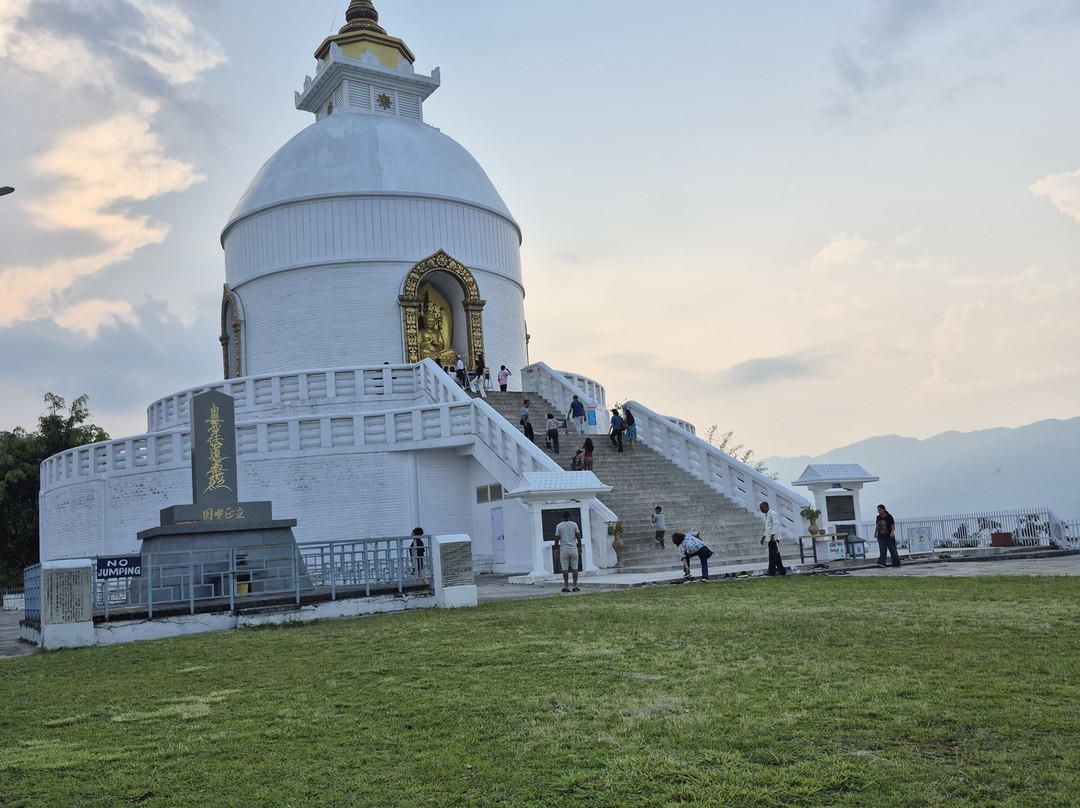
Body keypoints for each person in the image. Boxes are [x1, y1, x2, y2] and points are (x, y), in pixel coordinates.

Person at [554, 510, 582, 592]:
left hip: (564, 549)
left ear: (562, 517)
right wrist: (579, 547)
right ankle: (575, 586)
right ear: (569, 517)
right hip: (573, 548)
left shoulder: (559, 526)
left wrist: (556, 549)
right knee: (575, 568)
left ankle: (566, 586)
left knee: (565, 568)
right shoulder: (574, 524)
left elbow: (557, 538)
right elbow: (578, 537)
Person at [759, 501, 787, 576]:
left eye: (762, 508)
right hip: (769, 538)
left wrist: (772, 535)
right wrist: (763, 537)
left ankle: (772, 571)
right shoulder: (767, 515)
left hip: (774, 538)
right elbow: (768, 527)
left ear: (766, 507)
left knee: (772, 556)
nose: (761, 510)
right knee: (775, 555)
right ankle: (782, 570)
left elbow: (776, 524)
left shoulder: (773, 514)